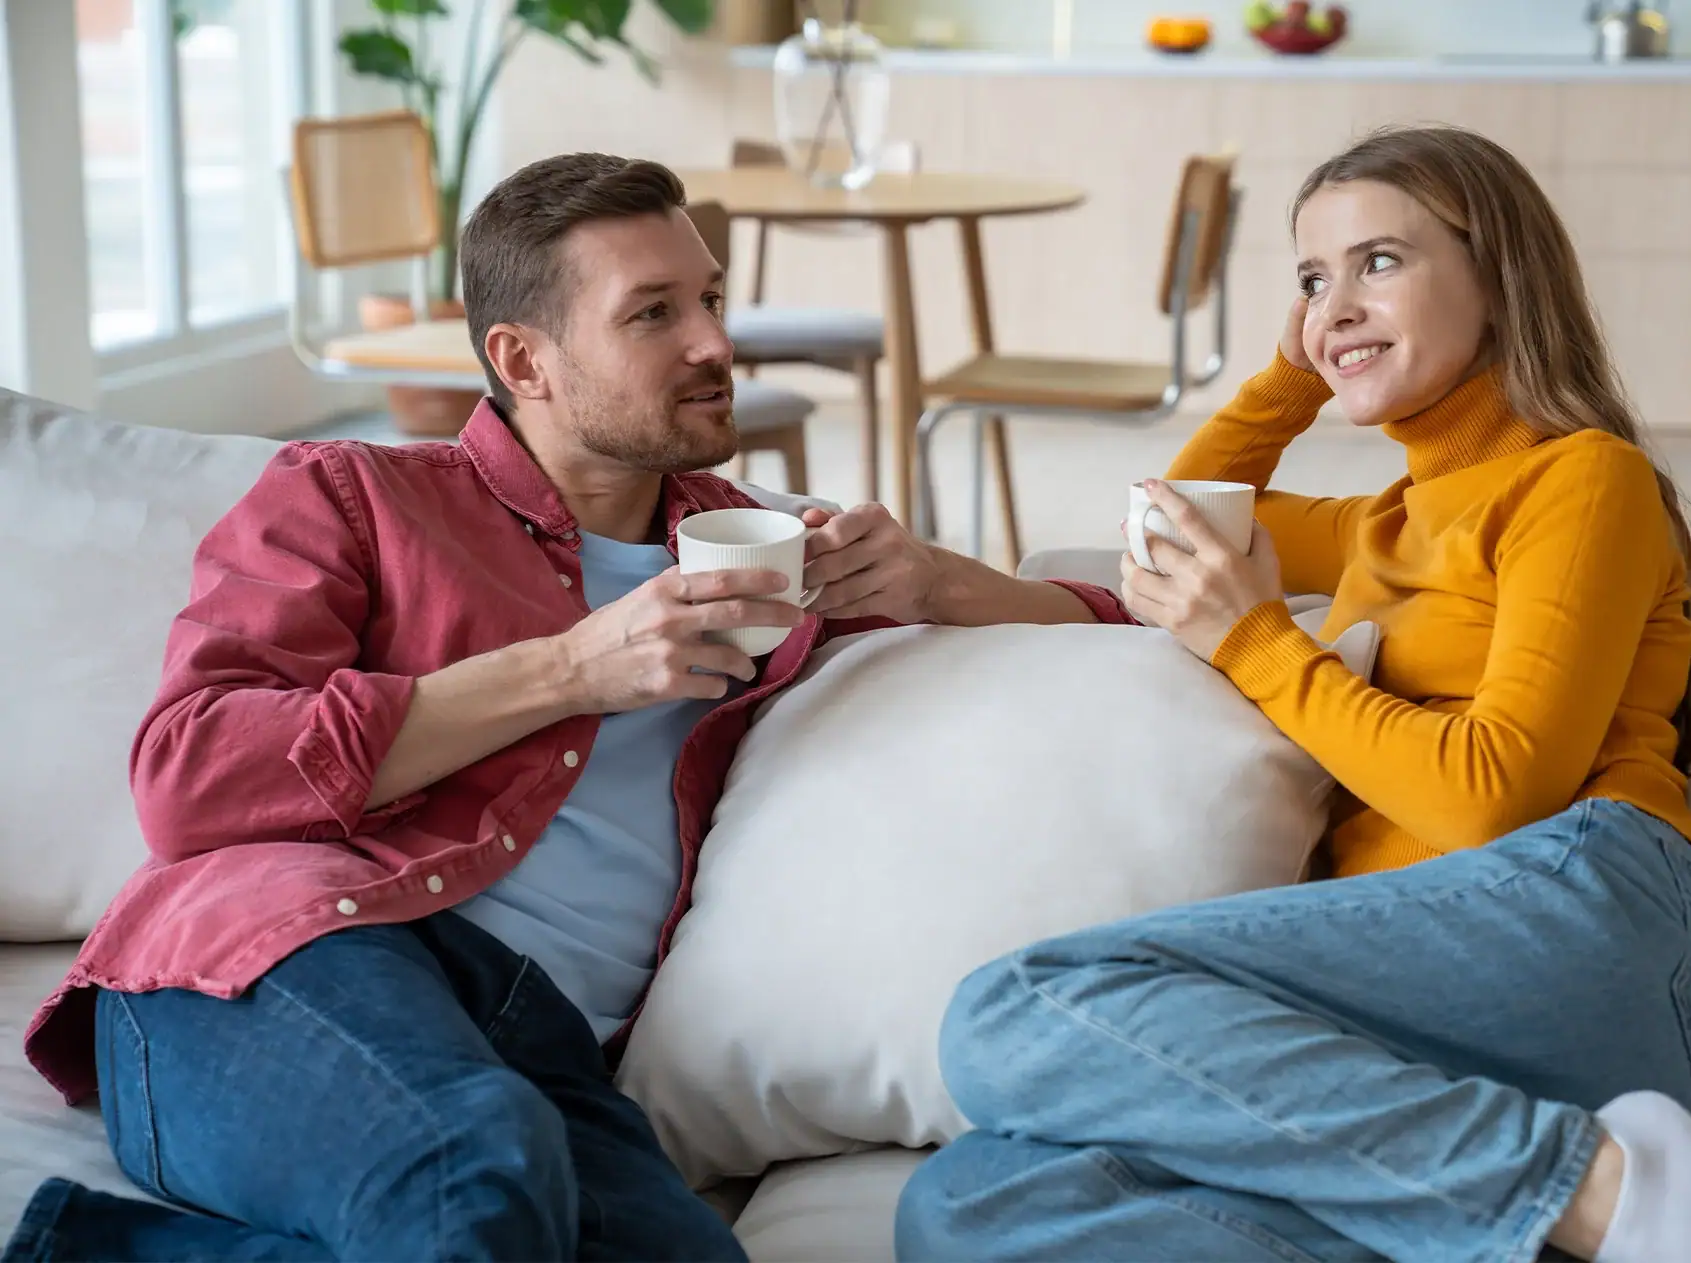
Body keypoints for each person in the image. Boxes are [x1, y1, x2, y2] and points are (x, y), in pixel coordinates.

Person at [2, 152, 1132, 1262]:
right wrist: (572, 668)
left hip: (539, 1043)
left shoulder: (770, 557)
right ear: (523, 360)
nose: (714, 344)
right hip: (285, 955)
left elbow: (1120, 627)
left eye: (711, 300)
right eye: (653, 314)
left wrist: (939, 582)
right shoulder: (352, 497)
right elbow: (191, 777)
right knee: (473, 1178)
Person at [895, 126, 1691, 1263]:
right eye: (1312, 278)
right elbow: (1178, 515)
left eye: (1379, 262)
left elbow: (1492, 796)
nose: (1336, 304)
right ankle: (1563, 1208)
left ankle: (1603, 1191)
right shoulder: (1381, 524)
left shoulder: (1582, 477)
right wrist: (1297, 369)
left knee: (1014, 1009)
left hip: (1588, 922)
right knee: (969, 1203)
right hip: (1429, 1021)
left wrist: (1253, 641)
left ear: (1499, 276)